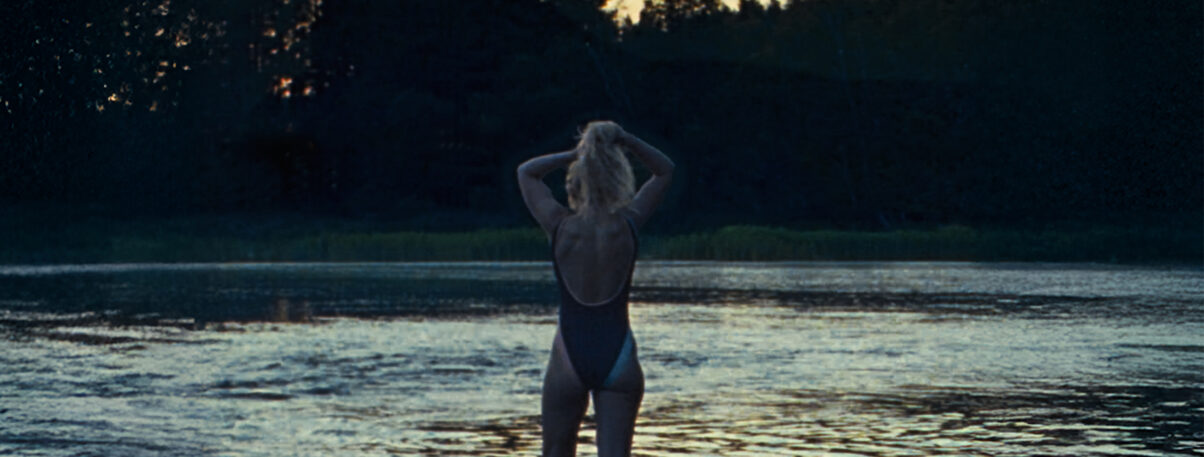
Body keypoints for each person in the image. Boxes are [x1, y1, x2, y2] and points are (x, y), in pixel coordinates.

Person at [517, 121, 674, 457]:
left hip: (568, 356)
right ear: (618, 178)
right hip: (618, 354)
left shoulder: (559, 225)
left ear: (575, 183)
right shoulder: (629, 222)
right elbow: (664, 170)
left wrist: (577, 154)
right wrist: (626, 141)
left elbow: (527, 172)